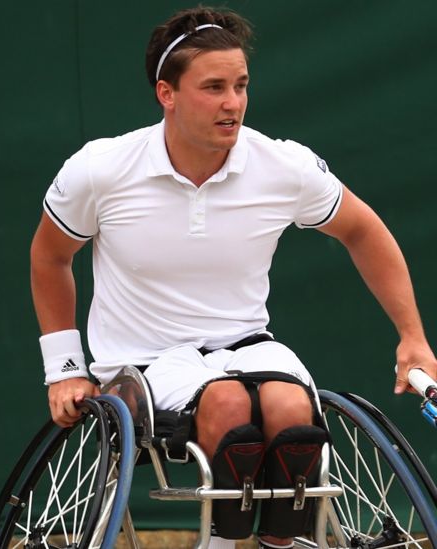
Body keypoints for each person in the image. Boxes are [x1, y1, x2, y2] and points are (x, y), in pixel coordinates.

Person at [29, 6, 437, 548]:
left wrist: (412, 337)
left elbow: (362, 229)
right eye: (214, 87)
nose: (233, 103)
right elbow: (50, 256)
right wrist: (63, 369)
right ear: (166, 94)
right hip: (140, 361)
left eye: (241, 86)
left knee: (293, 412)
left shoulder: (282, 165)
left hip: (248, 347)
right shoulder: (101, 169)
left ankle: (276, 544)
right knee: (227, 403)